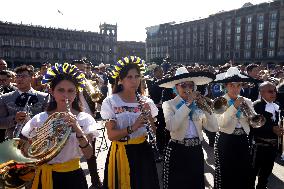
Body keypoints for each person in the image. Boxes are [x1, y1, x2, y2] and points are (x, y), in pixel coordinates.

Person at [21, 63, 100, 189]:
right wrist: (35, 142)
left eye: (70, 91)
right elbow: (25, 152)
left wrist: (78, 130)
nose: (66, 95)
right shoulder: (39, 118)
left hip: (73, 177)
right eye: (60, 90)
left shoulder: (85, 119)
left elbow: (89, 154)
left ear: (76, 93)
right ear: (52, 91)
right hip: (44, 176)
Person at [101, 56, 160, 189]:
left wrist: (149, 115)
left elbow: (154, 132)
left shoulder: (146, 101)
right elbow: (111, 135)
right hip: (121, 152)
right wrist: (132, 127)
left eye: (137, 76)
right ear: (120, 80)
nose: (134, 81)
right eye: (129, 77)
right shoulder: (111, 101)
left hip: (143, 151)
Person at [157, 67, 218, 189]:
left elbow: (213, 127)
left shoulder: (199, 104)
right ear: (176, 88)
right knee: (177, 183)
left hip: (196, 149)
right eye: (183, 85)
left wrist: (207, 108)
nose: (188, 89)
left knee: (195, 183)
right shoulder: (169, 104)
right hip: (177, 149)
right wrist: (188, 104)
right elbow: (171, 126)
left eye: (190, 86)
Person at [213, 67, 259, 189]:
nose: (235, 89)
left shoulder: (247, 101)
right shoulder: (220, 101)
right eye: (232, 85)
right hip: (226, 139)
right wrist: (234, 107)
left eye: (238, 85)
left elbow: (253, 122)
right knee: (227, 172)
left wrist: (250, 117)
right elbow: (221, 123)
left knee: (244, 171)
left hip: (243, 139)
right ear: (226, 86)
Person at [73, 59, 103, 188]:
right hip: (73, 120)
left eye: (83, 69)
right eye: (78, 69)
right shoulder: (68, 85)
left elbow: (99, 99)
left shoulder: (89, 83)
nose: (81, 72)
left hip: (88, 120)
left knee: (91, 154)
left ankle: (95, 180)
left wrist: (95, 89)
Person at [0, 65, 48, 141]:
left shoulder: (44, 97)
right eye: (17, 76)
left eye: (23, 76)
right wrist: (14, 119)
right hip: (12, 143)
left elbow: (49, 122)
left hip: (36, 143)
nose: (19, 79)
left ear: (31, 78)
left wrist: (33, 121)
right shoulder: (4, 98)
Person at [250, 81, 283, 189]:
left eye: (275, 91)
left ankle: (261, 187)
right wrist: (272, 129)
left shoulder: (276, 105)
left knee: (266, 171)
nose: (274, 93)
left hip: (273, 146)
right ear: (262, 92)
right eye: (270, 91)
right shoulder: (256, 105)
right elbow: (253, 125)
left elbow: (277, 123)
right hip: (259, 146)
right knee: (253, 171)